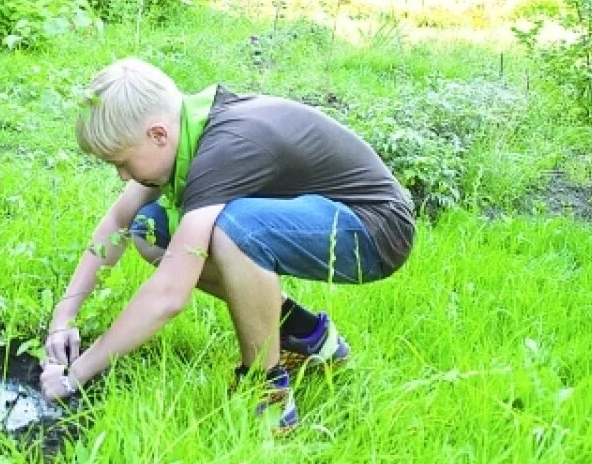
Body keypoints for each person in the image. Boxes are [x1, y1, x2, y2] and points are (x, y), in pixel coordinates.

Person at [40, 58, 414, 430]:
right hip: (331, 218)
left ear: (157, 135)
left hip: (374, 230)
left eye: (121, 162)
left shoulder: (223, 151)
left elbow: (170, 294)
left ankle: (267, 395)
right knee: (149, 228)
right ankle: (308, 335)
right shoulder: (190, 129)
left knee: (233, 229)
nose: (122, 175)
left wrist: (77, 375)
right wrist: (63, 317)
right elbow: (118, 223)